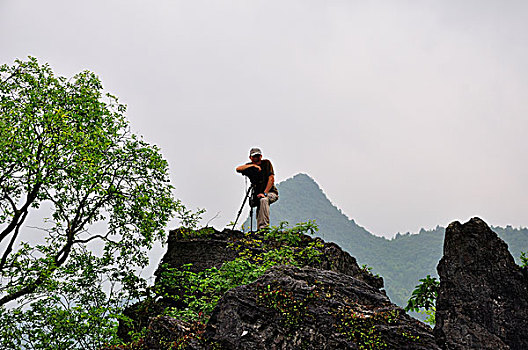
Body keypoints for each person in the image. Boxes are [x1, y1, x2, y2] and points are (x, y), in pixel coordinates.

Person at [236, 147, 279, 230]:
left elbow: (271, 179)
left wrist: (265, 193)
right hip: (257, 195)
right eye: (254, 156)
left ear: (261, 156)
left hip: (271, 193)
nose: (256, 158)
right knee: (260, 206)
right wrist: (253, 166)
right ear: (250, 158)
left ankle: (264, 229)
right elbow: (238, 169)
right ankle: (259, 230)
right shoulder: (250, 167)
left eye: (258, 156)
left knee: (263, 200)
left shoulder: (266, 163)